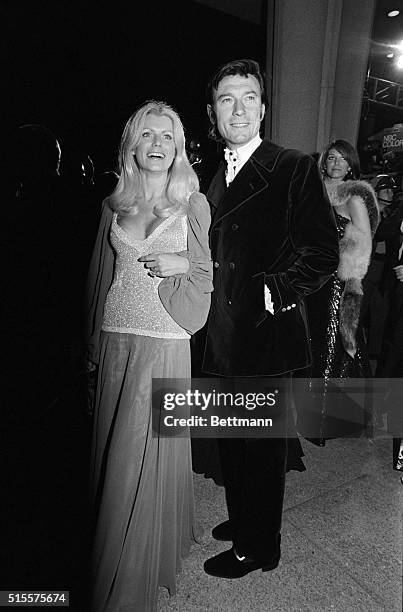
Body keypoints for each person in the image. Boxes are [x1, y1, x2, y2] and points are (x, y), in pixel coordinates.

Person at [201, 58, 339, 579]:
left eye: (249, 97)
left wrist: (270, 293)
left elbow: (323, 253)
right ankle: (245, 520)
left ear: (263, 107)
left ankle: (260, 548)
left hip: (264, 336)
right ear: (213, 113)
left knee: (259, 451)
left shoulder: (292, 165)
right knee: (233, 444)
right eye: (226, 99)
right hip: (221, 335)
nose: (238, 109)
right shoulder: (214, 174)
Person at [85, 100, 213, 611]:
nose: (157, 144)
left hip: (166, 338)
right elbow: (99, 278)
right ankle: (111, 546)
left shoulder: (193, 204)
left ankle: (129, 578)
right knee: (116, 453)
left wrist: (181, 259)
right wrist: (92, 346)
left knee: (145, 453)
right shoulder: (114, 204)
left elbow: (209, 273)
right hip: (117, 334)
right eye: (147, 135)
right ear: (132, 145)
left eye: (167, 136)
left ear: (178, 147)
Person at [297, 139, 379, 445]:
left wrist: (351, 274)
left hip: (336, 279)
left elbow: (365, 240)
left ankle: (324, 421)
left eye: (342, 160)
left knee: (331, 342)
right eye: (331, 158)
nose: (335, 164)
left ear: (350, 166)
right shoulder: (313, 192)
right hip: (311, 278)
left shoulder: (353, 195)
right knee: (311, 341)